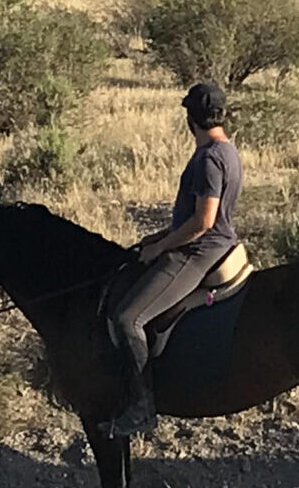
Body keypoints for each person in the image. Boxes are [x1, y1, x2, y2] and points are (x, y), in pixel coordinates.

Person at [99, 81, 244, 437]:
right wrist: (161, 235)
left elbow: (203, 222)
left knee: (126, 318)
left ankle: (141, 409)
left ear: (189, 118)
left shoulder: (209, 158)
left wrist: (161, 248)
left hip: (198, 252)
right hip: (213, 242)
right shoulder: (228, 149)